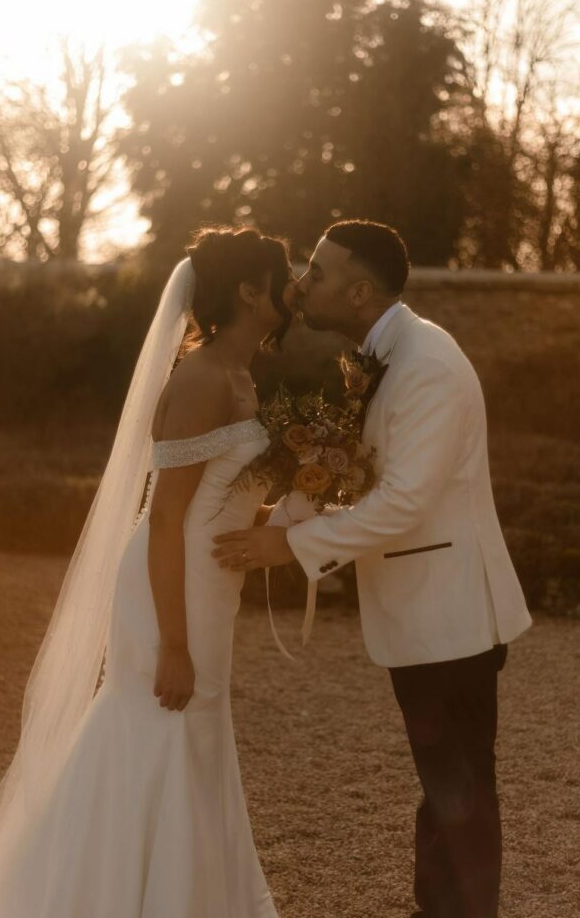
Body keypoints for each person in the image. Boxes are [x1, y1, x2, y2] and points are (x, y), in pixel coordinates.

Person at [0, 226, 294, 918]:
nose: (294, 290)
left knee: (194, 730)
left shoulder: (239, 375)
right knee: (160, 722)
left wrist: (303, 514)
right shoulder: (199, 380)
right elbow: (166, 517)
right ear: (252, 292)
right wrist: (170, 642)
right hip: (174, 584)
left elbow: (221, 502)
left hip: (207, 579)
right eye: (284, 279)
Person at [213, 219, 533, 918]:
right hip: (426, 613)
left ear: (360, 291)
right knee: (445, 786)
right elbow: (354, 473)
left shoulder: (426, 366)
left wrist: (290, 549)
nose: (302, 285)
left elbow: (404, 501)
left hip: (450, 615)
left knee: (462, 790)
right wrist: (280, 518)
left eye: (319, 274)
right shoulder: (383, 354)